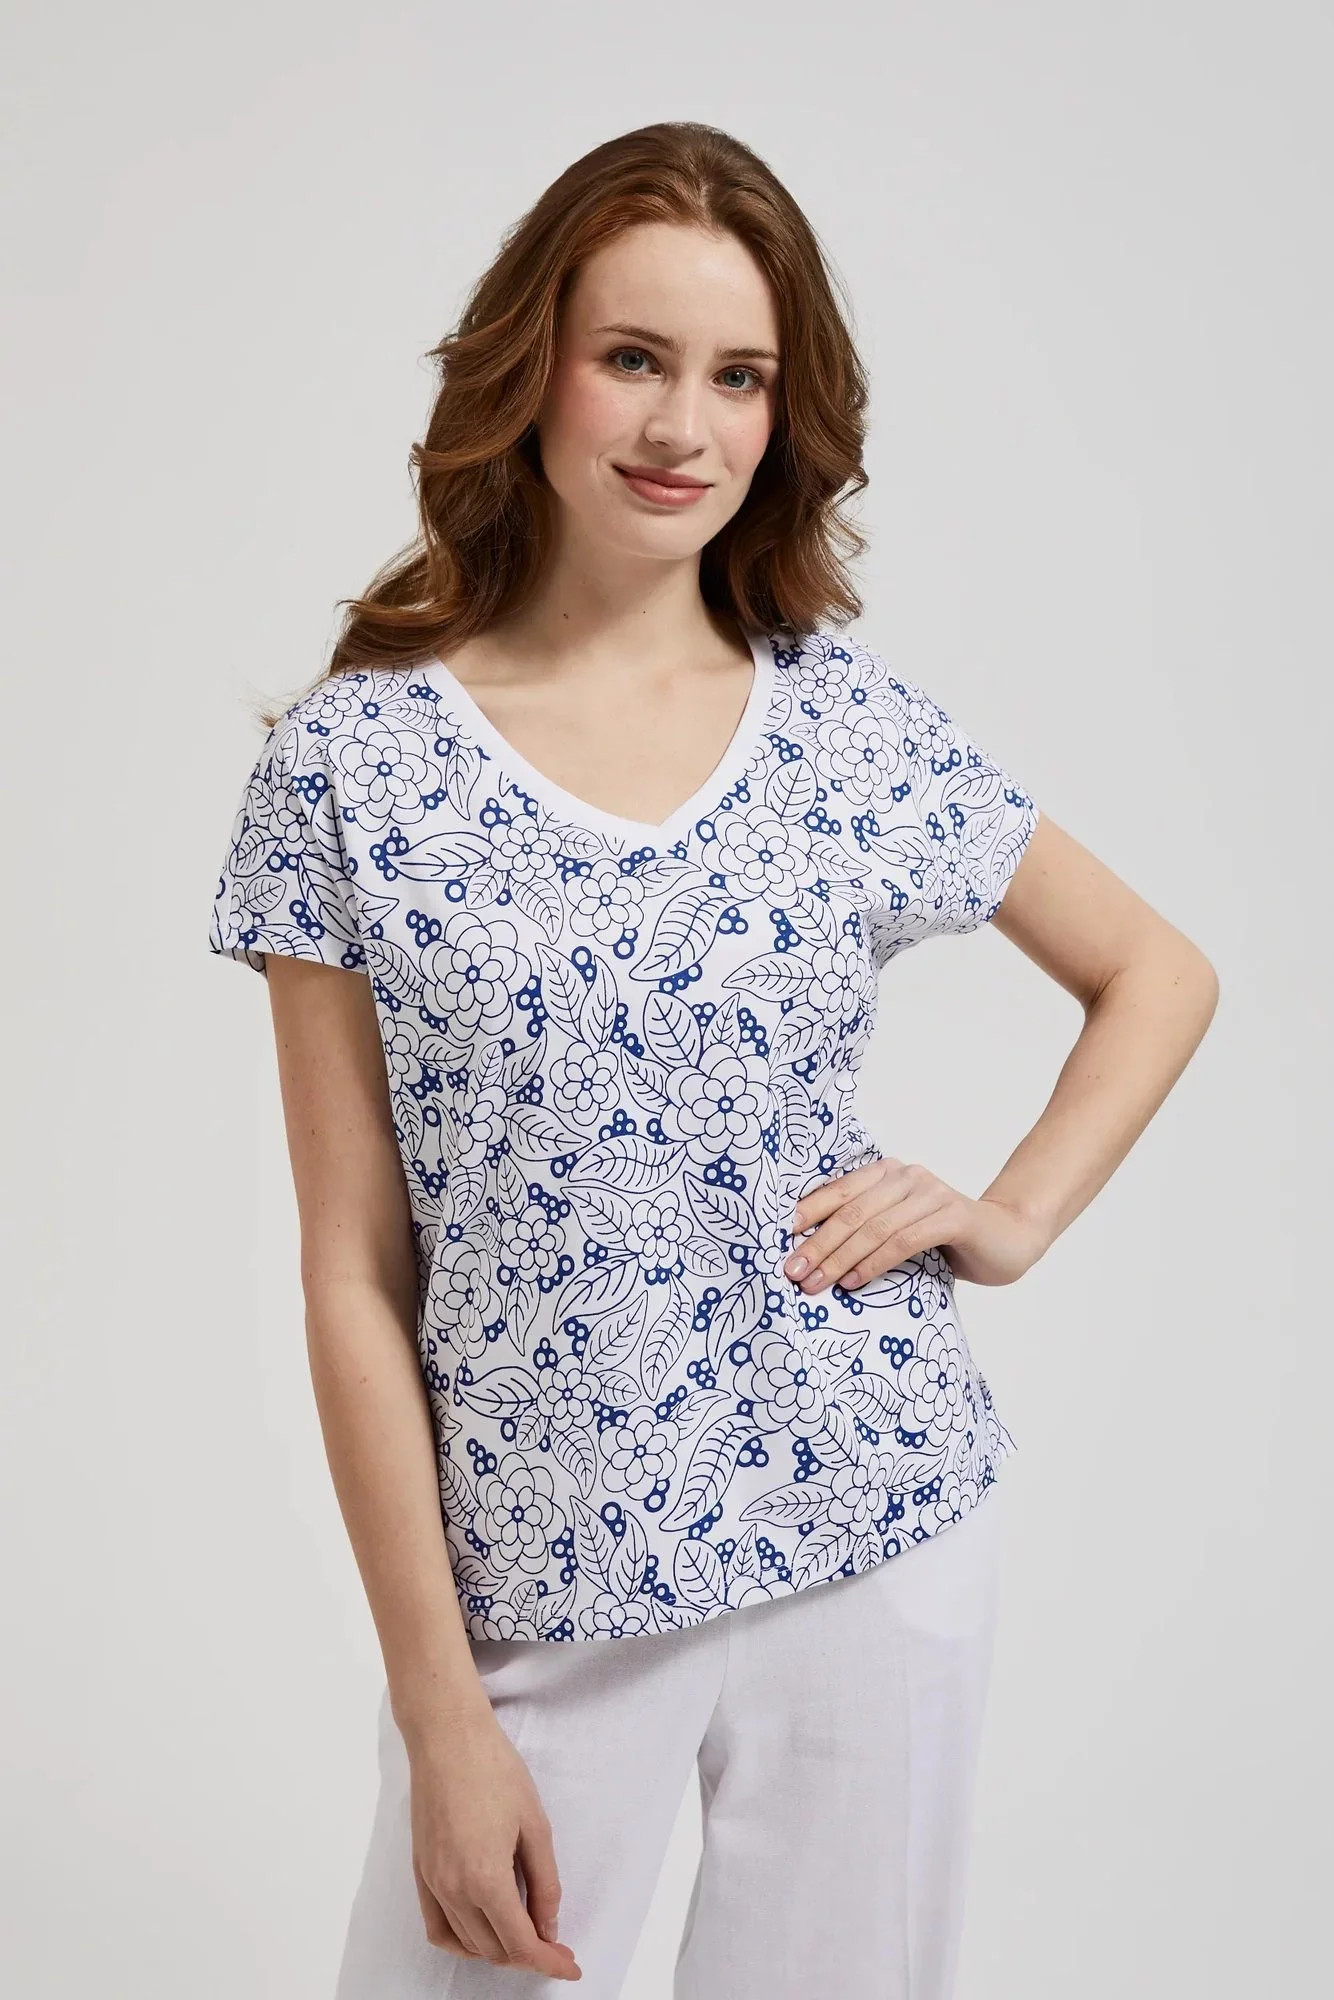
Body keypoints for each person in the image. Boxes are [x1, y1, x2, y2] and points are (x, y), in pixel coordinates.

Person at [207, 121, 1218, 1999]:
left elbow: (1155, 971)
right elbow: (352, 1270)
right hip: (539, 1580)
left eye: (738, 376)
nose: (684, 425)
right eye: (633, 358)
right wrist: (440, 1713)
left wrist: (1006, 1219)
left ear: (783, 411)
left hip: (869, 1521)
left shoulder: (842, 727)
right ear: (532, 370)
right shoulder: (355, 766)